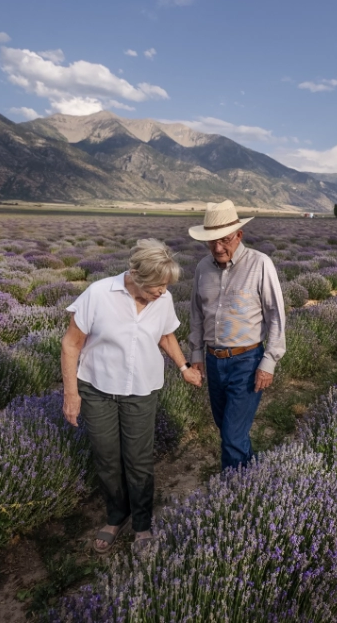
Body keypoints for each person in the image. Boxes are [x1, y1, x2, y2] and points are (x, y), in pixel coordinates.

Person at [61, 238, 202, 553]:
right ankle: (116, 515)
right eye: (157, 286)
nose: (163, 292)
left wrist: (183, 367)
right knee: (107, 458)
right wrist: (71, 392)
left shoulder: (161, 299)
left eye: (166, 285)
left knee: (138, 460)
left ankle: (141, 523)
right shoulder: (98, 294)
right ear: (136, 275)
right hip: (97, 389)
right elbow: (71, 344)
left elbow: (166, 335)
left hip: (141, 390)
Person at [188, 200, 286, 470]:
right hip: (213, 360)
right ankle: (252, 480)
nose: (218, 248)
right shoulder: (202, 269)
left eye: (225, 240)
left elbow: (276, 315)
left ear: (239, 235)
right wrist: (196, 353)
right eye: (212, 242)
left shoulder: (260, 264)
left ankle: (233, 495)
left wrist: (269, 362)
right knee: (229, 429)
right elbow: (196, 314)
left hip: (247, 360)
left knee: (231, 435)